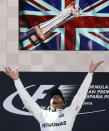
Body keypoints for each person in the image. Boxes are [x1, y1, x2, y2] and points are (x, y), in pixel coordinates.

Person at [4, 60, 103, 131]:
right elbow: (28, 101)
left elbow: (80, 96)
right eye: (53, 96)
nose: (55, 96)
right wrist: (17, 80)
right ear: (50, 103)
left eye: (58, 96)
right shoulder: (42, 114)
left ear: (64, 103)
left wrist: (90, 74)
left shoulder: (69, 111)